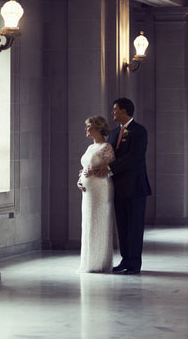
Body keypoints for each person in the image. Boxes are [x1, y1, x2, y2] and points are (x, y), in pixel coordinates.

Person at [88, 98, 151, 275]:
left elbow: (135, 157)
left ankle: (134, 264)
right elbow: (109, 156)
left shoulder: (139, 131)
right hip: (117, 187)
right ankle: (125, 259)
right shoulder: (115, 133)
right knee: (122, 226)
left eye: (115, 109)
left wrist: (109, 168)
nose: (113, 112)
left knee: (135, 226)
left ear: (124, 111)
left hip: (135, 187)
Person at [76, 116, 115, 273]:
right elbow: (85, 168)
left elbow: (111, 169)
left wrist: (98, 171)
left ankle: (98, 262)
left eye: (89, 126)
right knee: (88, 223)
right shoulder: (90, 147)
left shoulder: (106, 147)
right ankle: (88, 261)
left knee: (98, 222)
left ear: (98, 128)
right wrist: (80, 180)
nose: (86, 129)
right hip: (88, 192)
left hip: (101, 189)